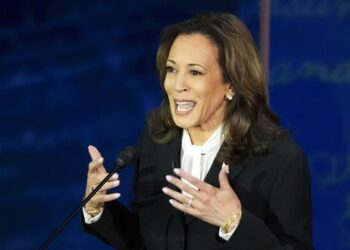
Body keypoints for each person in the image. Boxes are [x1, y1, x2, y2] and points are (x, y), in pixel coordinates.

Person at [82, 13, 313, 250]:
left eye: (195, 72)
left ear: (231, 83)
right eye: (172, 69)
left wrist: (234, 223)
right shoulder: (156, 140)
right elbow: (144, 239)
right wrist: (97, 208)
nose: (177, 84)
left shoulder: (280, 160)